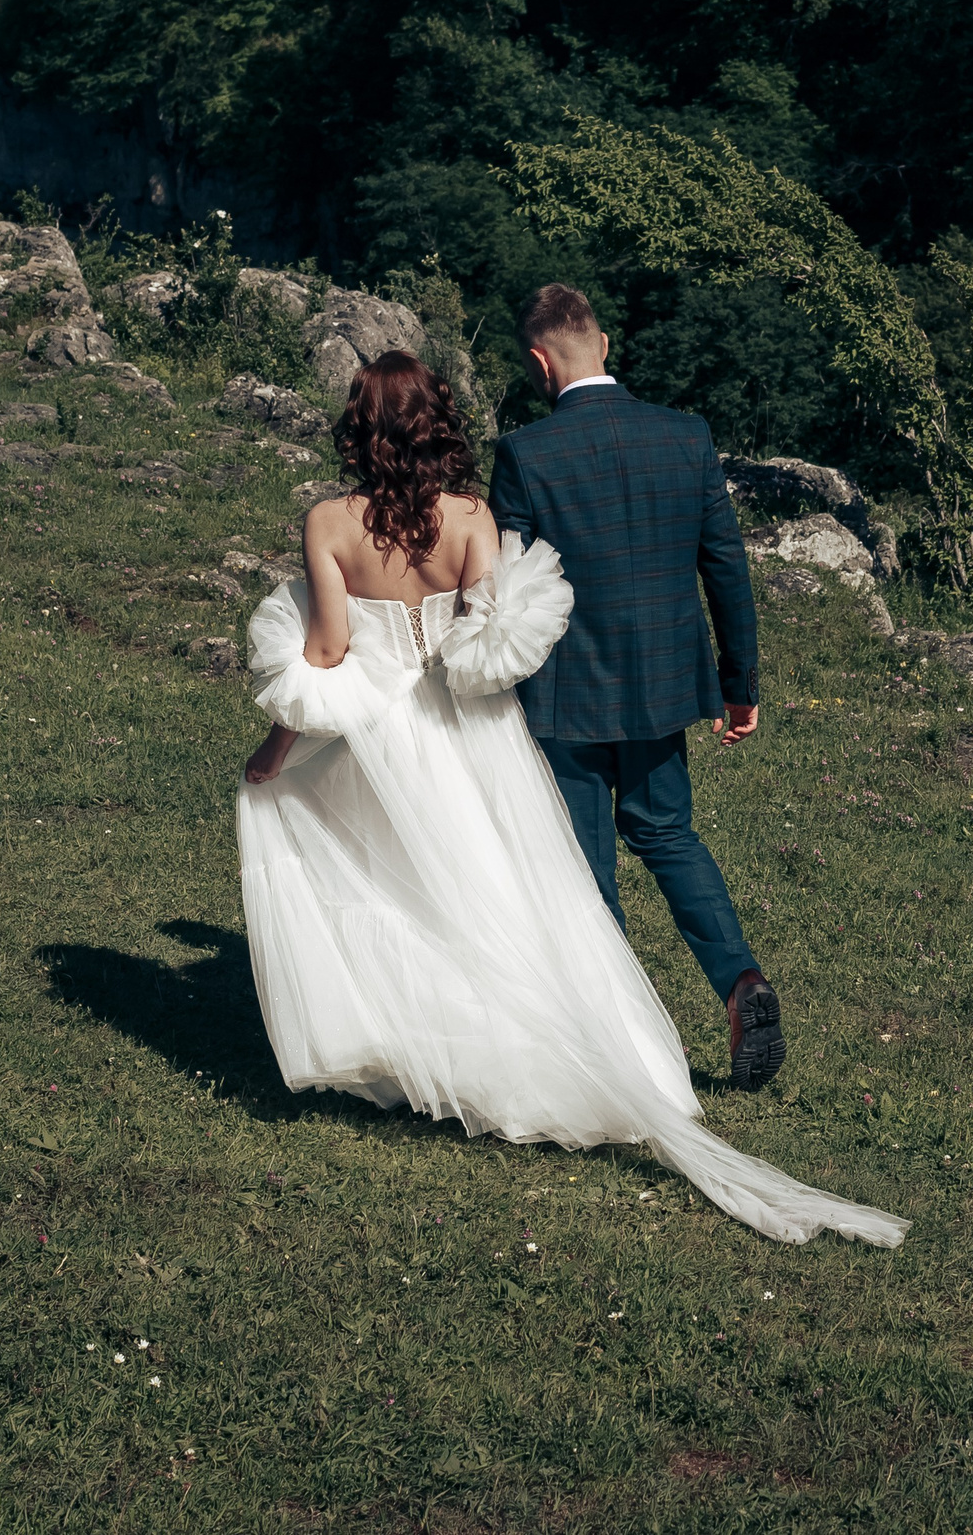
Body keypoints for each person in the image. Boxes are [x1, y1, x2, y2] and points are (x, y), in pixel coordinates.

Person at [235, 350, 904, 1247]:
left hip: (382, 737)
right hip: (473, 731)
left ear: (361, 427)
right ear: (436, 421)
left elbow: (326, 653)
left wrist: (275, 748)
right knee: (509, 893)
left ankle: (417, 1049)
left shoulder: (329, 522)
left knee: (405, 887)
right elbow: (490, 639)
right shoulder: (471, 517)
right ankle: (575, 1042)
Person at [487, 284, 785, 1090]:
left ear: (539, 362)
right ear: (605, 345)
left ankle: (622, 1040)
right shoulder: (686, 436)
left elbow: (506, 585)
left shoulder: (525, 453)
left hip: (564, 694)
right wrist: (739, 682)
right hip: (662, 686)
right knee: (667, 833)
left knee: (585, 868)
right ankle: (742, 984)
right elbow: (726, 567)